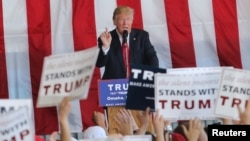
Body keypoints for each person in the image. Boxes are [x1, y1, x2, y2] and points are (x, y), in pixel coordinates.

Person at [96, 5, 159, 79]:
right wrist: (106, 47)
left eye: (128, 19)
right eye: (121, 19)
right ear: (114, 21)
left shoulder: (142, 36)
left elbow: (152, 57)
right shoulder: (106, 38)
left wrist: (150, 76)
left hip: (137, 82)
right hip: (114, 86)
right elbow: (99, 64)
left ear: (132, 20)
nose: (125, 23)